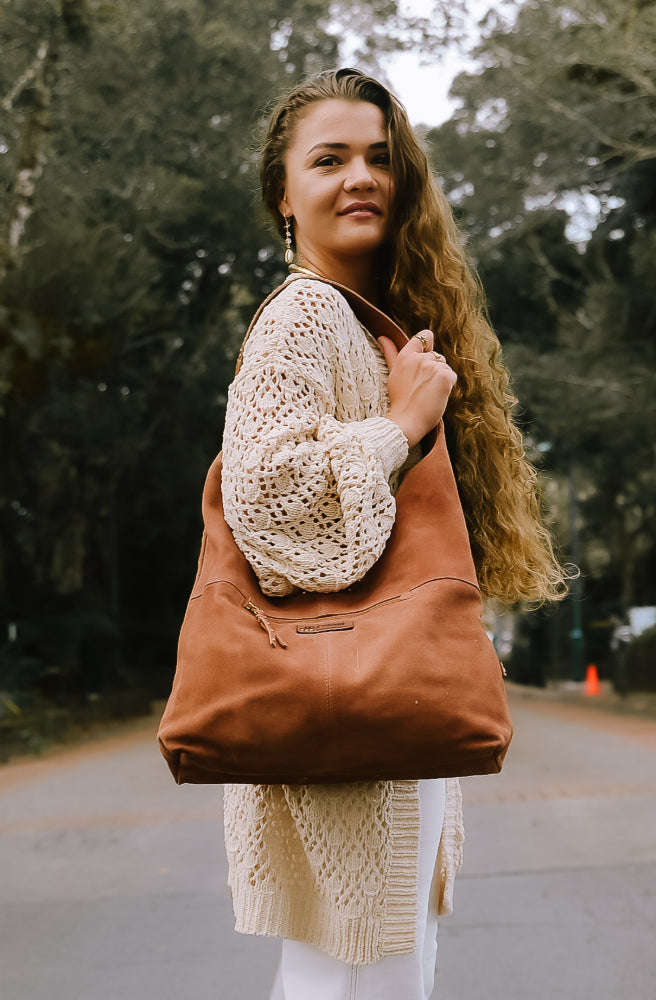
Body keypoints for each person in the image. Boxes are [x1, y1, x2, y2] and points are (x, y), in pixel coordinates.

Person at [219, 68, 566, 1000]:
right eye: (328, 160)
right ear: (283, 198)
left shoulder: (370, 321)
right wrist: (401, 426)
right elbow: (269, 505)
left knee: (367, 966)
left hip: (371, 704)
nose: (359, 176)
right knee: (355, 974)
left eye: (379, 157)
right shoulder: (301, 319)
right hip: (342, 700)